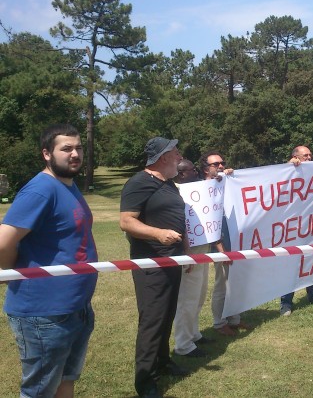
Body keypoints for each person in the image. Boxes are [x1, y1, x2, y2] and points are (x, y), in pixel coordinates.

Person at [0, 123, 97, 398]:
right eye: (66, 149)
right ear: (46, 153)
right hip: (44, 314)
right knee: (39, 391)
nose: (75, 154)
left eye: (78, 147)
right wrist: (13, 270)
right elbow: (3, 242)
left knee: (65, 380)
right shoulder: (40, 190)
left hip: (76, 307)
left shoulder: (67, 185)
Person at [120, 137, 188, 398]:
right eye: (175, 151)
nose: (180, 155)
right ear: (163, 157)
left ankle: (162, 362)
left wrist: (186, 251)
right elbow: (126, 222)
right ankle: (145, 380)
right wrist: (158, 234)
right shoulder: (139, 182)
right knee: (152, 320)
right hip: (151, 263)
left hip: (173, 259)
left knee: (167, 313)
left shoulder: (168, 184)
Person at [202, 150, 252, 336]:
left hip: (235, 242)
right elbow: (209, 222)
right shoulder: (202, 189)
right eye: (216, 164)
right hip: (219, 245)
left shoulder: (226, 183)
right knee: (222, 284)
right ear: (206, 169)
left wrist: (233, 177)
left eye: (222, 163)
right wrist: (220, 249)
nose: (221, 166)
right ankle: (218, 322)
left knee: (236, 282)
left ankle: (235, 319)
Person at [280, 145, 313, 316]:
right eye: (305, 156)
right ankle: (286, 303)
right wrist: (290, 165)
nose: (309, 158)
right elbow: (278, 182)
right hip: (292, 228)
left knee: (310, 262)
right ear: (295, 157)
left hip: (311, 227)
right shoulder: (289, 170)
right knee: (291, 266)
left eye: (310, 155)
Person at [172, 159, 214, 358]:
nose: (196, 172)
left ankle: (194, 333)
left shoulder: (199, 189)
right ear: (181, 173)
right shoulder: (176, 191)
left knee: (199, 293)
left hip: (203, 247)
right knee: (187, 297)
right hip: (190, 249)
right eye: (192, 170)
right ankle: (183, 343)